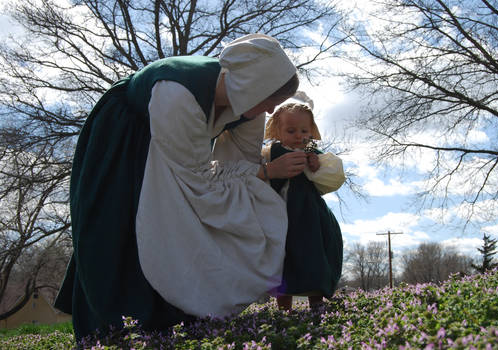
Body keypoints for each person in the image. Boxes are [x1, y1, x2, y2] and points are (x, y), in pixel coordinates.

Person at [54, 33, 309, 341]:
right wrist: (265, 172)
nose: (270, 112)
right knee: (118, 221)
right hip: (124, 140)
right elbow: (201, 179)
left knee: (176, 222)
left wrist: (262, 174)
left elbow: (239, 167)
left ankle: (169, 313)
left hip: (182, 152)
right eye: (271, 101)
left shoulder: (247, 105)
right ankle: (113, 323)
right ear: (255, 85)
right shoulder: (177, 93)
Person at [262, 99, 345, 311]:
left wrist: (317, 165)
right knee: (284, 258)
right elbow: (261, 173)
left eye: (304, 130)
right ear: (277, 131)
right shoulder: (272, 151)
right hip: (282, 212)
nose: (298, 135)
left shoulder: (312, 151)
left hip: (310, 215)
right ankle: (283, 308)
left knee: (314, 254)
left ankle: (317, 304)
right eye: (291, 130)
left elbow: (330, 174)